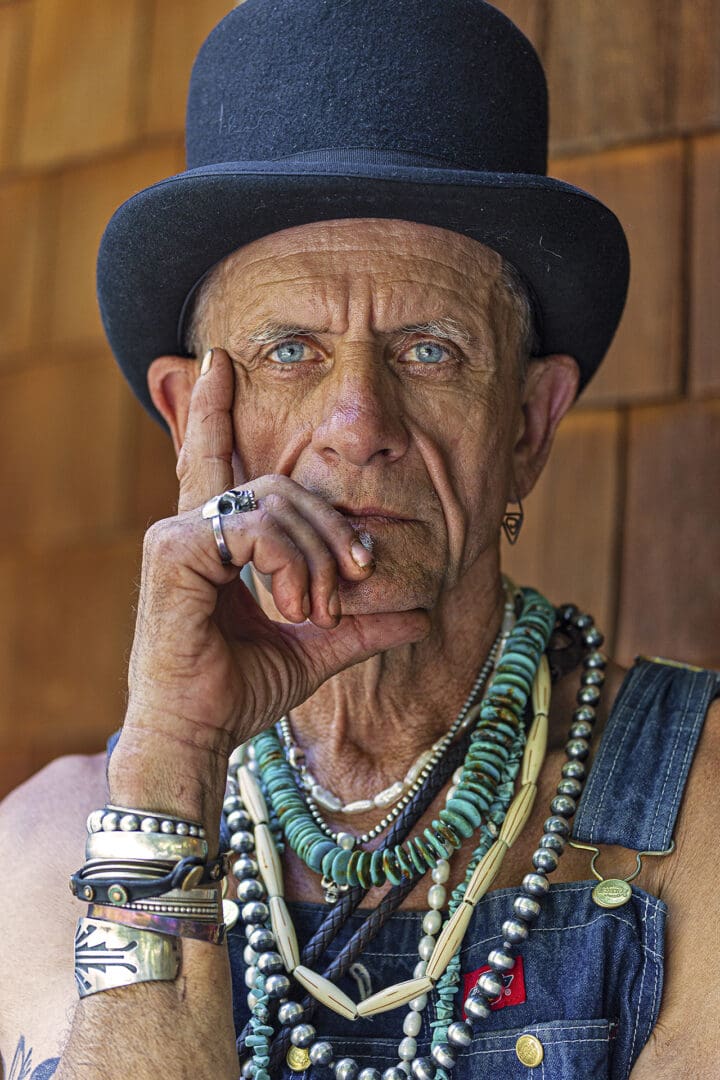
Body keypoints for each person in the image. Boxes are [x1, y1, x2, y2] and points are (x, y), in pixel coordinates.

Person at [1, 2, 718, 1078]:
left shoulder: (702, 799)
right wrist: (169, 763)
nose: (361, 426)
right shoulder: (44, 845)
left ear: (526, 425)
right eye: (290, 350)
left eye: (429, 350)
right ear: (192, 413)